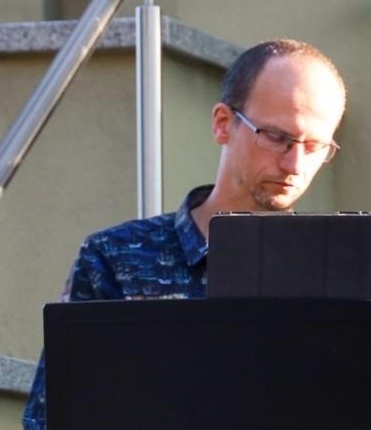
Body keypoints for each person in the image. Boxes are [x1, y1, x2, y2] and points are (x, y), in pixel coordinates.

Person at [22, 38, 347, 430]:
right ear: (223, 123)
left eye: (314, 146)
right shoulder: (115, 257)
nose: (295, 163)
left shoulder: (331, 270)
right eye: (276, 137)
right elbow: (51, 418)